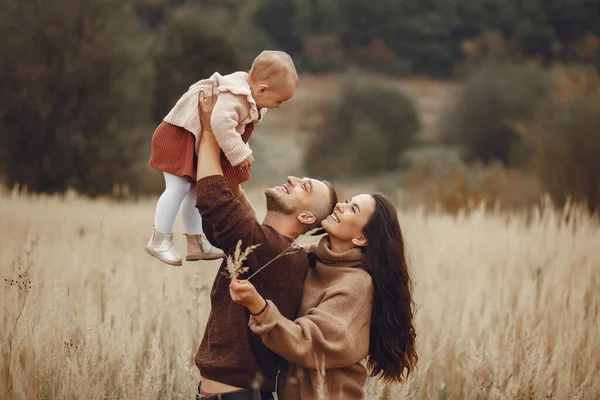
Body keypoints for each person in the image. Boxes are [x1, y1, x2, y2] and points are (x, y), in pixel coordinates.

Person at [193, 84, 338, 399]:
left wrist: (208, 131)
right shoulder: (271, 247)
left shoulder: (278, 253)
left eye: (305, 187)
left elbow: (214, 201)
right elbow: (224, 220)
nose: (292, 179)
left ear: (307, 219)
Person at [229, 193, 418, 399]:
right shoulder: (312, 258)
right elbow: (263, 243)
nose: (339, 206)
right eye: (347, 202)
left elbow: (309, 343)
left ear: (361, 238)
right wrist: (236, 194)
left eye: (353, 209)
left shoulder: (357, 285)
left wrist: (259, 307)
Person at [146, 50, 299, 266]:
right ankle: (159, 239)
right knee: (177, 188)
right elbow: (220, 123)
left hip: (191, 139)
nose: (278, 106)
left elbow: (236, 129)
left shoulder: (251, 97)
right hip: (179, 136)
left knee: (195, 191)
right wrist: (239, 153)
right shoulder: (235, 95)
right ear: (262, 89)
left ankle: (195, 241)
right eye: (279, 100)